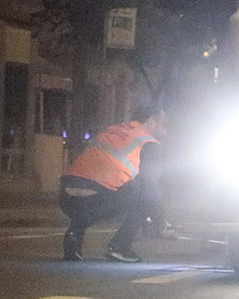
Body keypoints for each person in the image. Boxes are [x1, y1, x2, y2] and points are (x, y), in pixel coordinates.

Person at [59, 106, 168, 262]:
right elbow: (150, 186)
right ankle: (120, 247)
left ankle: (74, 235)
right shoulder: (148, 143)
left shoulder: (111, 131)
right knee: (144, 191)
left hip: (67, 197)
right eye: (163, 123)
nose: (166, 129)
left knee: (104, 185)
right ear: (150, 121)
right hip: (97, 201)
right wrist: (161, 222)